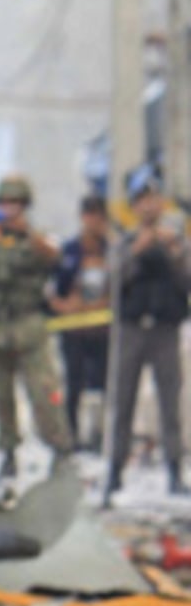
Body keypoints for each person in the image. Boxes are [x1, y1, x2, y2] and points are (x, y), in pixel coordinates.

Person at [0, 173, 72, 482]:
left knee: (44, 393)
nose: (9, 209)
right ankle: (8, 452)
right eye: (4, 203)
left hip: (28, 326)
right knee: (0, 396)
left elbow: (55, 256)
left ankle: (60, 448)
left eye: (15, 204)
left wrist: (27, 233)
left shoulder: (36, 237)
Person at [107, 163, 191, 496]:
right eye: (142, 200)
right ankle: (114, 469)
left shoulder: (176, 240)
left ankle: (174, 470)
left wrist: (175, 252)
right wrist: (138, 250)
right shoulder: (125, 242)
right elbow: (114, 281)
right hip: (131, 330)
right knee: (122, 401)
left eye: (153, 199)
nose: (149, 206)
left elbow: (186, 280)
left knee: (170, 402)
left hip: (164, 329)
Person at [51, 195, 113, 451]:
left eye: (97, 215)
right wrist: (66, 307)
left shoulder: (112, 250)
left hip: (103, 330)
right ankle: (71, 436)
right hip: (73, 330)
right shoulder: (69, 250)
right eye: (89, 215)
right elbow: (53, 290)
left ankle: (100, 435)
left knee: (104, 385)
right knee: (73, 384)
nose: (93, 221)